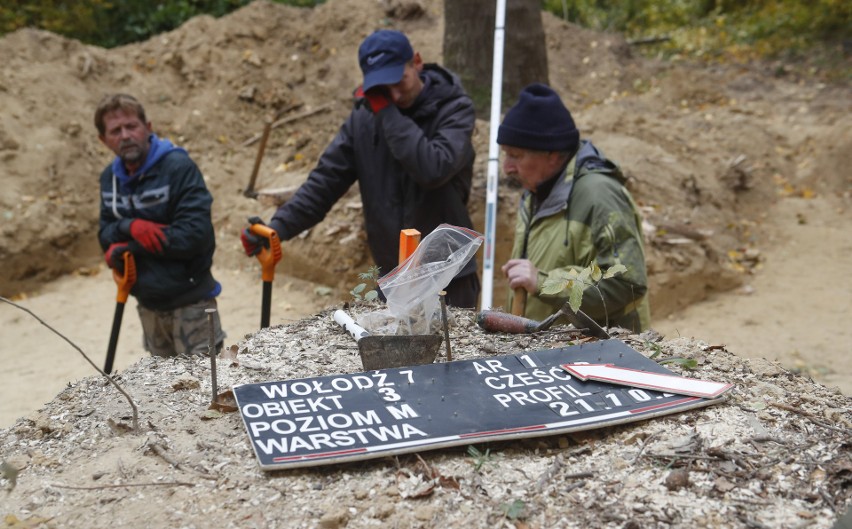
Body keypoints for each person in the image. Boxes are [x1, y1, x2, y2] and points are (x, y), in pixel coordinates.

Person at [241, 29, 480, 307]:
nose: (393, 94)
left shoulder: (454, 109)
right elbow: (324, 183)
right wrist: (277, 229)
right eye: (382, 88)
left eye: (398, 81)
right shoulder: (363, 120)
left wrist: (386, 113)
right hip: (393, 279)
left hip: (448, 279)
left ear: (416, 62)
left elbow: (433, 168)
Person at [498, 83, 650, 332]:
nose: (507, 167)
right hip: (550, 348)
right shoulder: (535, 190)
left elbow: (627, 284)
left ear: (554, 155)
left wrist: (545, 283)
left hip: (602, 355)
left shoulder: (600, 196)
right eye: (505, 154)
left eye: (516, 155)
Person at [95, 93, 226, 357]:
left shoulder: (178, 168)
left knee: (205, 391)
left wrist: (127, 247)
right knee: (163, 395)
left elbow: (194, 236)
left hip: (193, 307)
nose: (125, 135)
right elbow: (104, 234)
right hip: (148, 307)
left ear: (148, 127)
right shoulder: (109, 178)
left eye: (131, 126)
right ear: (103, 140)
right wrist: (130, 227)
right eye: (115, 130)